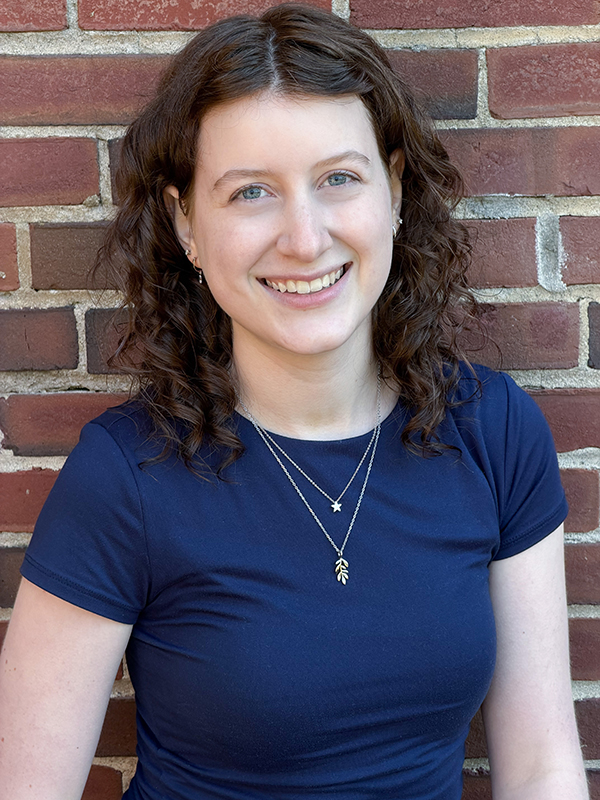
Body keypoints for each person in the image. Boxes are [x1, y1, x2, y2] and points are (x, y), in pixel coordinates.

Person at [0, 4, 588, 799]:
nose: (305, 239)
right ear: (187, 226)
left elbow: (542, 766)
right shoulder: (128, 476)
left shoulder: (493, 432)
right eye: (251, 193)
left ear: (395, 193)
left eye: (339, 179)